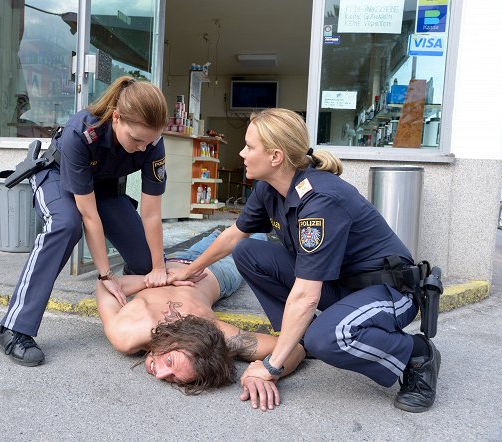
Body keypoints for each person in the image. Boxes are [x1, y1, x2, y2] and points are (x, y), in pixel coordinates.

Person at [167, 108, 440, 413]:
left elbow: (307, 295)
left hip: (388, 292)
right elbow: (234, 236)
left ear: (276, 157)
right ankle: (297, 339)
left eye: (249, 146)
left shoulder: (321, 200)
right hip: (341, 286)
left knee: (329, 338)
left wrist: (271, 365)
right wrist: (191, 271)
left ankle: (416, 355)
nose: (242, 153)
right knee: (249, 252)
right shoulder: (269, 189)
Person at [0, 76, 170, 366]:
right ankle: (16, 328)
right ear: (116, 118)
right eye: (136, 140)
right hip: (57, 178)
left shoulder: (152, 143)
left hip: (103, 188)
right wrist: (105, 275)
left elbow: (151, 212)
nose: (143, 148)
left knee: (145, 260)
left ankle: (132, 306)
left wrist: (158, 268)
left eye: (149, 141)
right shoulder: (82, 132)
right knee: (66, 225)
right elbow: (88, 215)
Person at [95, 229, 306, 402]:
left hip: (206, 271)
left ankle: (246, 230)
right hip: (195, 266)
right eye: (171, 367)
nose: (159, 373)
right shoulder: (130, 330)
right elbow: (105, 284)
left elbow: (296, 350)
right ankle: (229, 232)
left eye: (172, 371)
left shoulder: (219, 336)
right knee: (230, 239)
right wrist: (165, 279)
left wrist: (267, 371)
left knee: (245, 241)